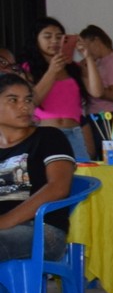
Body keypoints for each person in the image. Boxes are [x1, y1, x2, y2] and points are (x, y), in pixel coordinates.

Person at [0, 71, 76, 262]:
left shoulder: (49, 137)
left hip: (42, 231)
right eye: (13, 100)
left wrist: (5, 221)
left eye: (28, 99)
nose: (24, 106)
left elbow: (58, 187)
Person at [20, 19, 85, 160]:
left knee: (84, 174)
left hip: (74, 132)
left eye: (59, 36)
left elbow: (96, 92)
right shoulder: (28, 68)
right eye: (47, 36)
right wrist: (52, 71)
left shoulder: (73, 67)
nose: (54, 41)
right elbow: (33, 101)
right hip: (46, 132)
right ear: (36, 40)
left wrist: (88, 56)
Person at [76, 26, 113, 160]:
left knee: (105, 161)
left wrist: (89, 80)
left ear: (96, 40)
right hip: (95, 118)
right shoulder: (99, 62)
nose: (84, 52)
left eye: (85, 46)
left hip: (108, 118)